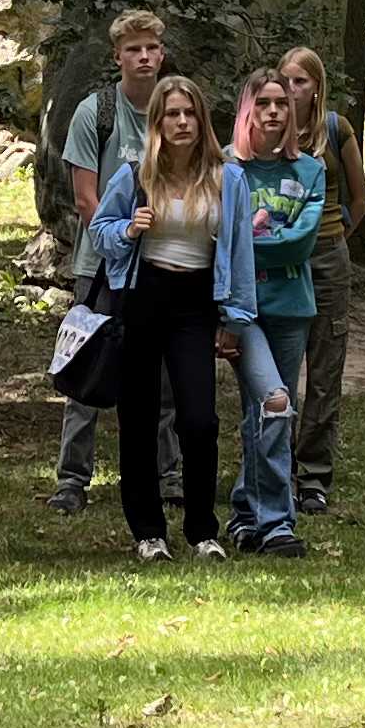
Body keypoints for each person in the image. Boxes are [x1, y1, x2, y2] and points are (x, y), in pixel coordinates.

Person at [93, 74, 269, 561]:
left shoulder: (227, 178)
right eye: (172, 114)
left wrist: (235, 317)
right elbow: (100, 231)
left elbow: (240, 252)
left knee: (199, 419)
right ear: (158, 122)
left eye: (190, 113)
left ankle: (201, 530)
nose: (183, 122)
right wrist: (129, 229)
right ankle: (148, 531)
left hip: (196, 303)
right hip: (143, 297)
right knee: (139, 418)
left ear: (202, 120)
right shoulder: (135, 176)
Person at [51, 11, 168, 513]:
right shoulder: (95, 112)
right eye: (133, 49)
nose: (143, 57)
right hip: (99, 265)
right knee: (88, 365)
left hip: (164, 264)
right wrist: (122, 240)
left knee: (163, 374)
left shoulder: (175, 109)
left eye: (151, 48)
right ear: (117, 56)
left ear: (162, 54)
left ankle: (166, 472)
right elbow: (86, 198)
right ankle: (72, 479)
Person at [225, 69, 328, 555]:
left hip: (291, 306)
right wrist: (258, 236)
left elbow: (300, 244)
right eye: (263, 103)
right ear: (247, 109)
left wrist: (251, 235)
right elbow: (219, 241)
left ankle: (245, 514)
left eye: (281, 103)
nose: (273, 112)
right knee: (274, 402)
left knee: (266, 413)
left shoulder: (309, 170)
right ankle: (276, 522)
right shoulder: (226, 169)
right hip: (243, 309)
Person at [279, 45, 365, 512]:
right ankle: (276, 466)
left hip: (328, 259)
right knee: (278, 369)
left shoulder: (336, 129)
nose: (292, 90)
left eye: (301, 81)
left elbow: (360, 199)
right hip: (280, 262)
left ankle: (313, 473)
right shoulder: (266, 127)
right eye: (286, 81)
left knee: (324, 368)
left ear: (317, 87)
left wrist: (336, 237)